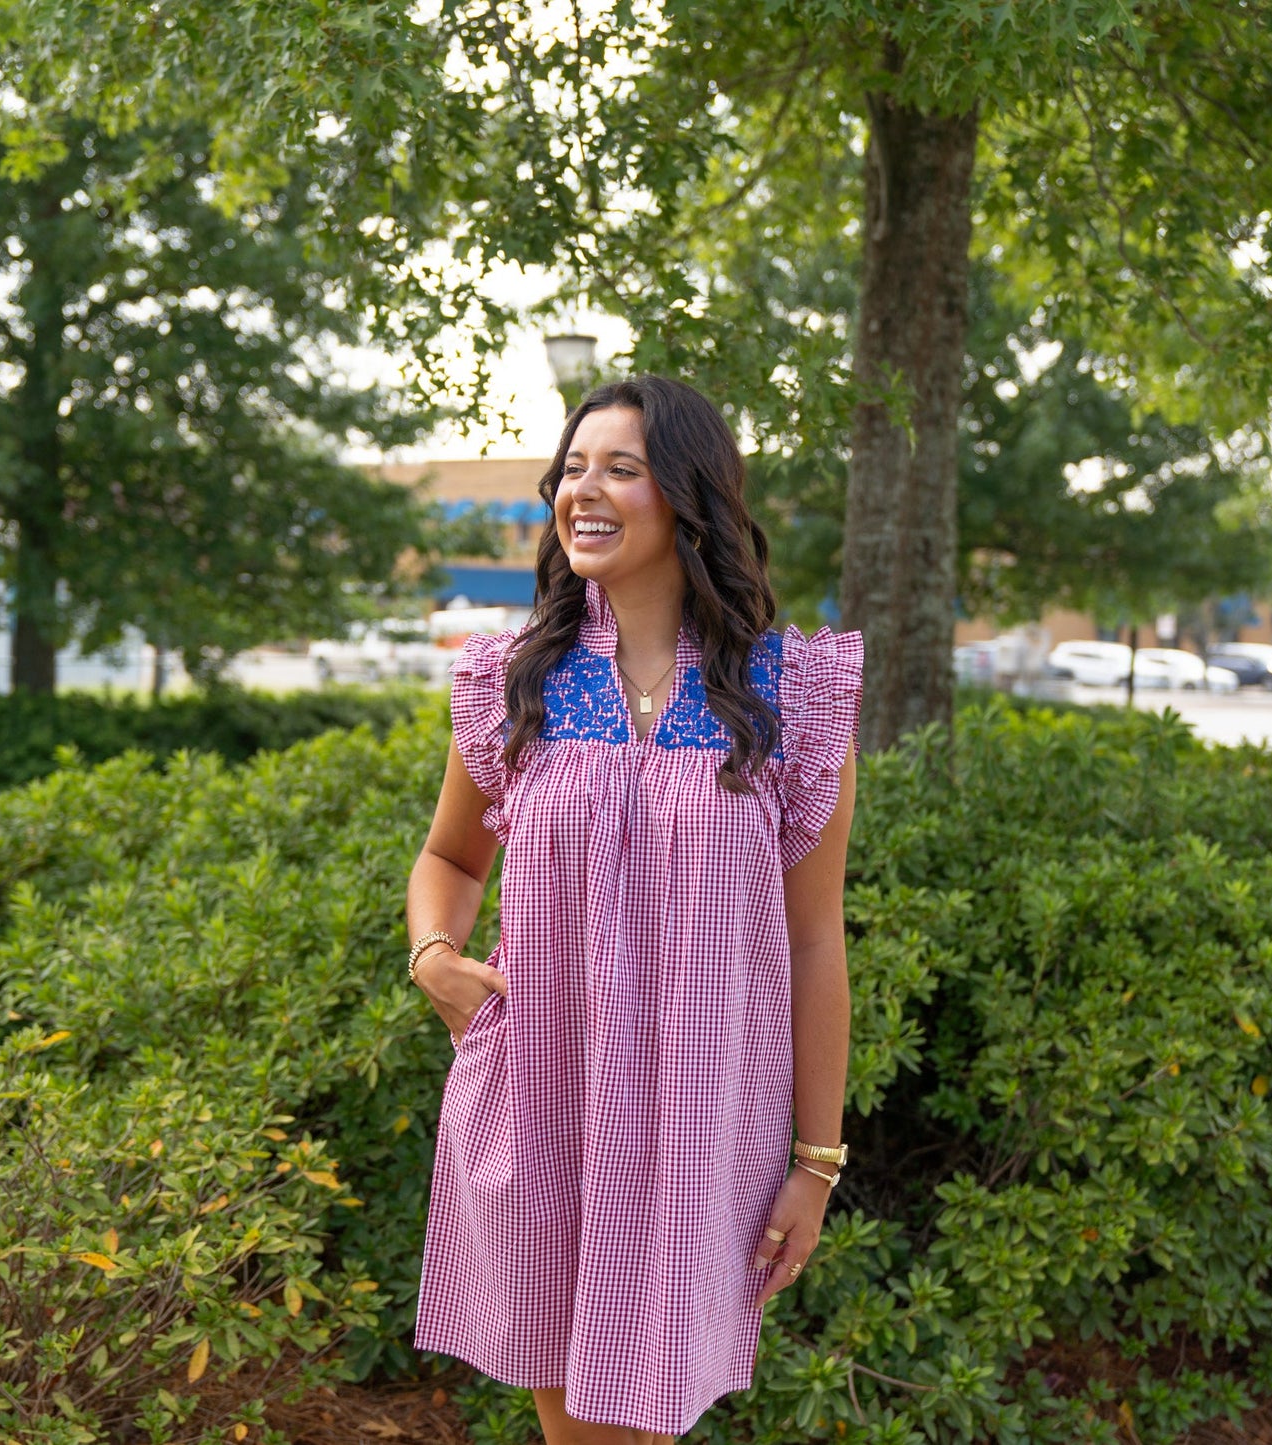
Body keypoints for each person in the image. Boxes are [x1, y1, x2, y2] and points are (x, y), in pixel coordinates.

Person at [404, 375, 863, 1444]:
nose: (583, 492)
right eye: (570, 469)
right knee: (572, 1420)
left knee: (635, 1422)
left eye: (620, 467)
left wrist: (818, 1161)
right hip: (543, 1090)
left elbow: (811, 937)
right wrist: (435, 952)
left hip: (698, 1121)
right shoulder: (517, 681)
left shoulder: (785, 695)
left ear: (688, 497)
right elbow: (448, 859)